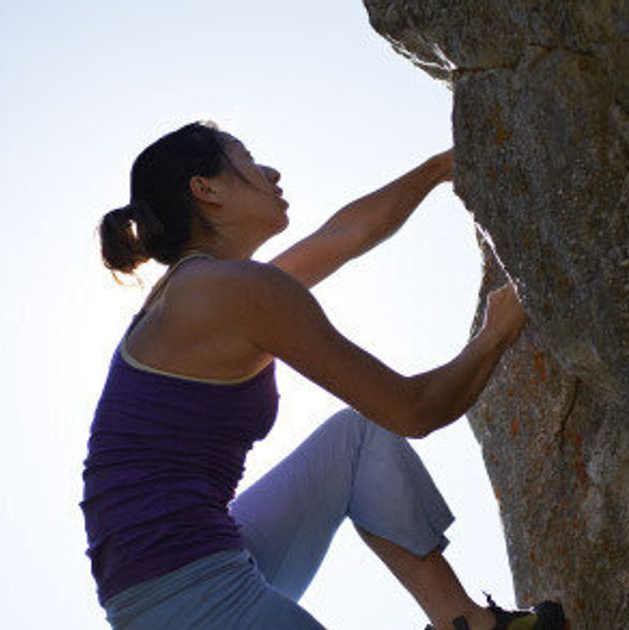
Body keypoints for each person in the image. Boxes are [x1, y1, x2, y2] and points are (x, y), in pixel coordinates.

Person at [82, 121, 566, 629]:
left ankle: (466, 624)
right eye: (246, 159)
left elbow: (344, 236)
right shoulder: (229, 294)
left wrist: (440, 168)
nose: (270, 171)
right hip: (188, 603)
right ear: (206, 190)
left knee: (358, 441)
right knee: (379, 422)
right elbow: (414, 409)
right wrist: (498, 334)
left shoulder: (205, 291)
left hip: (193, 567)